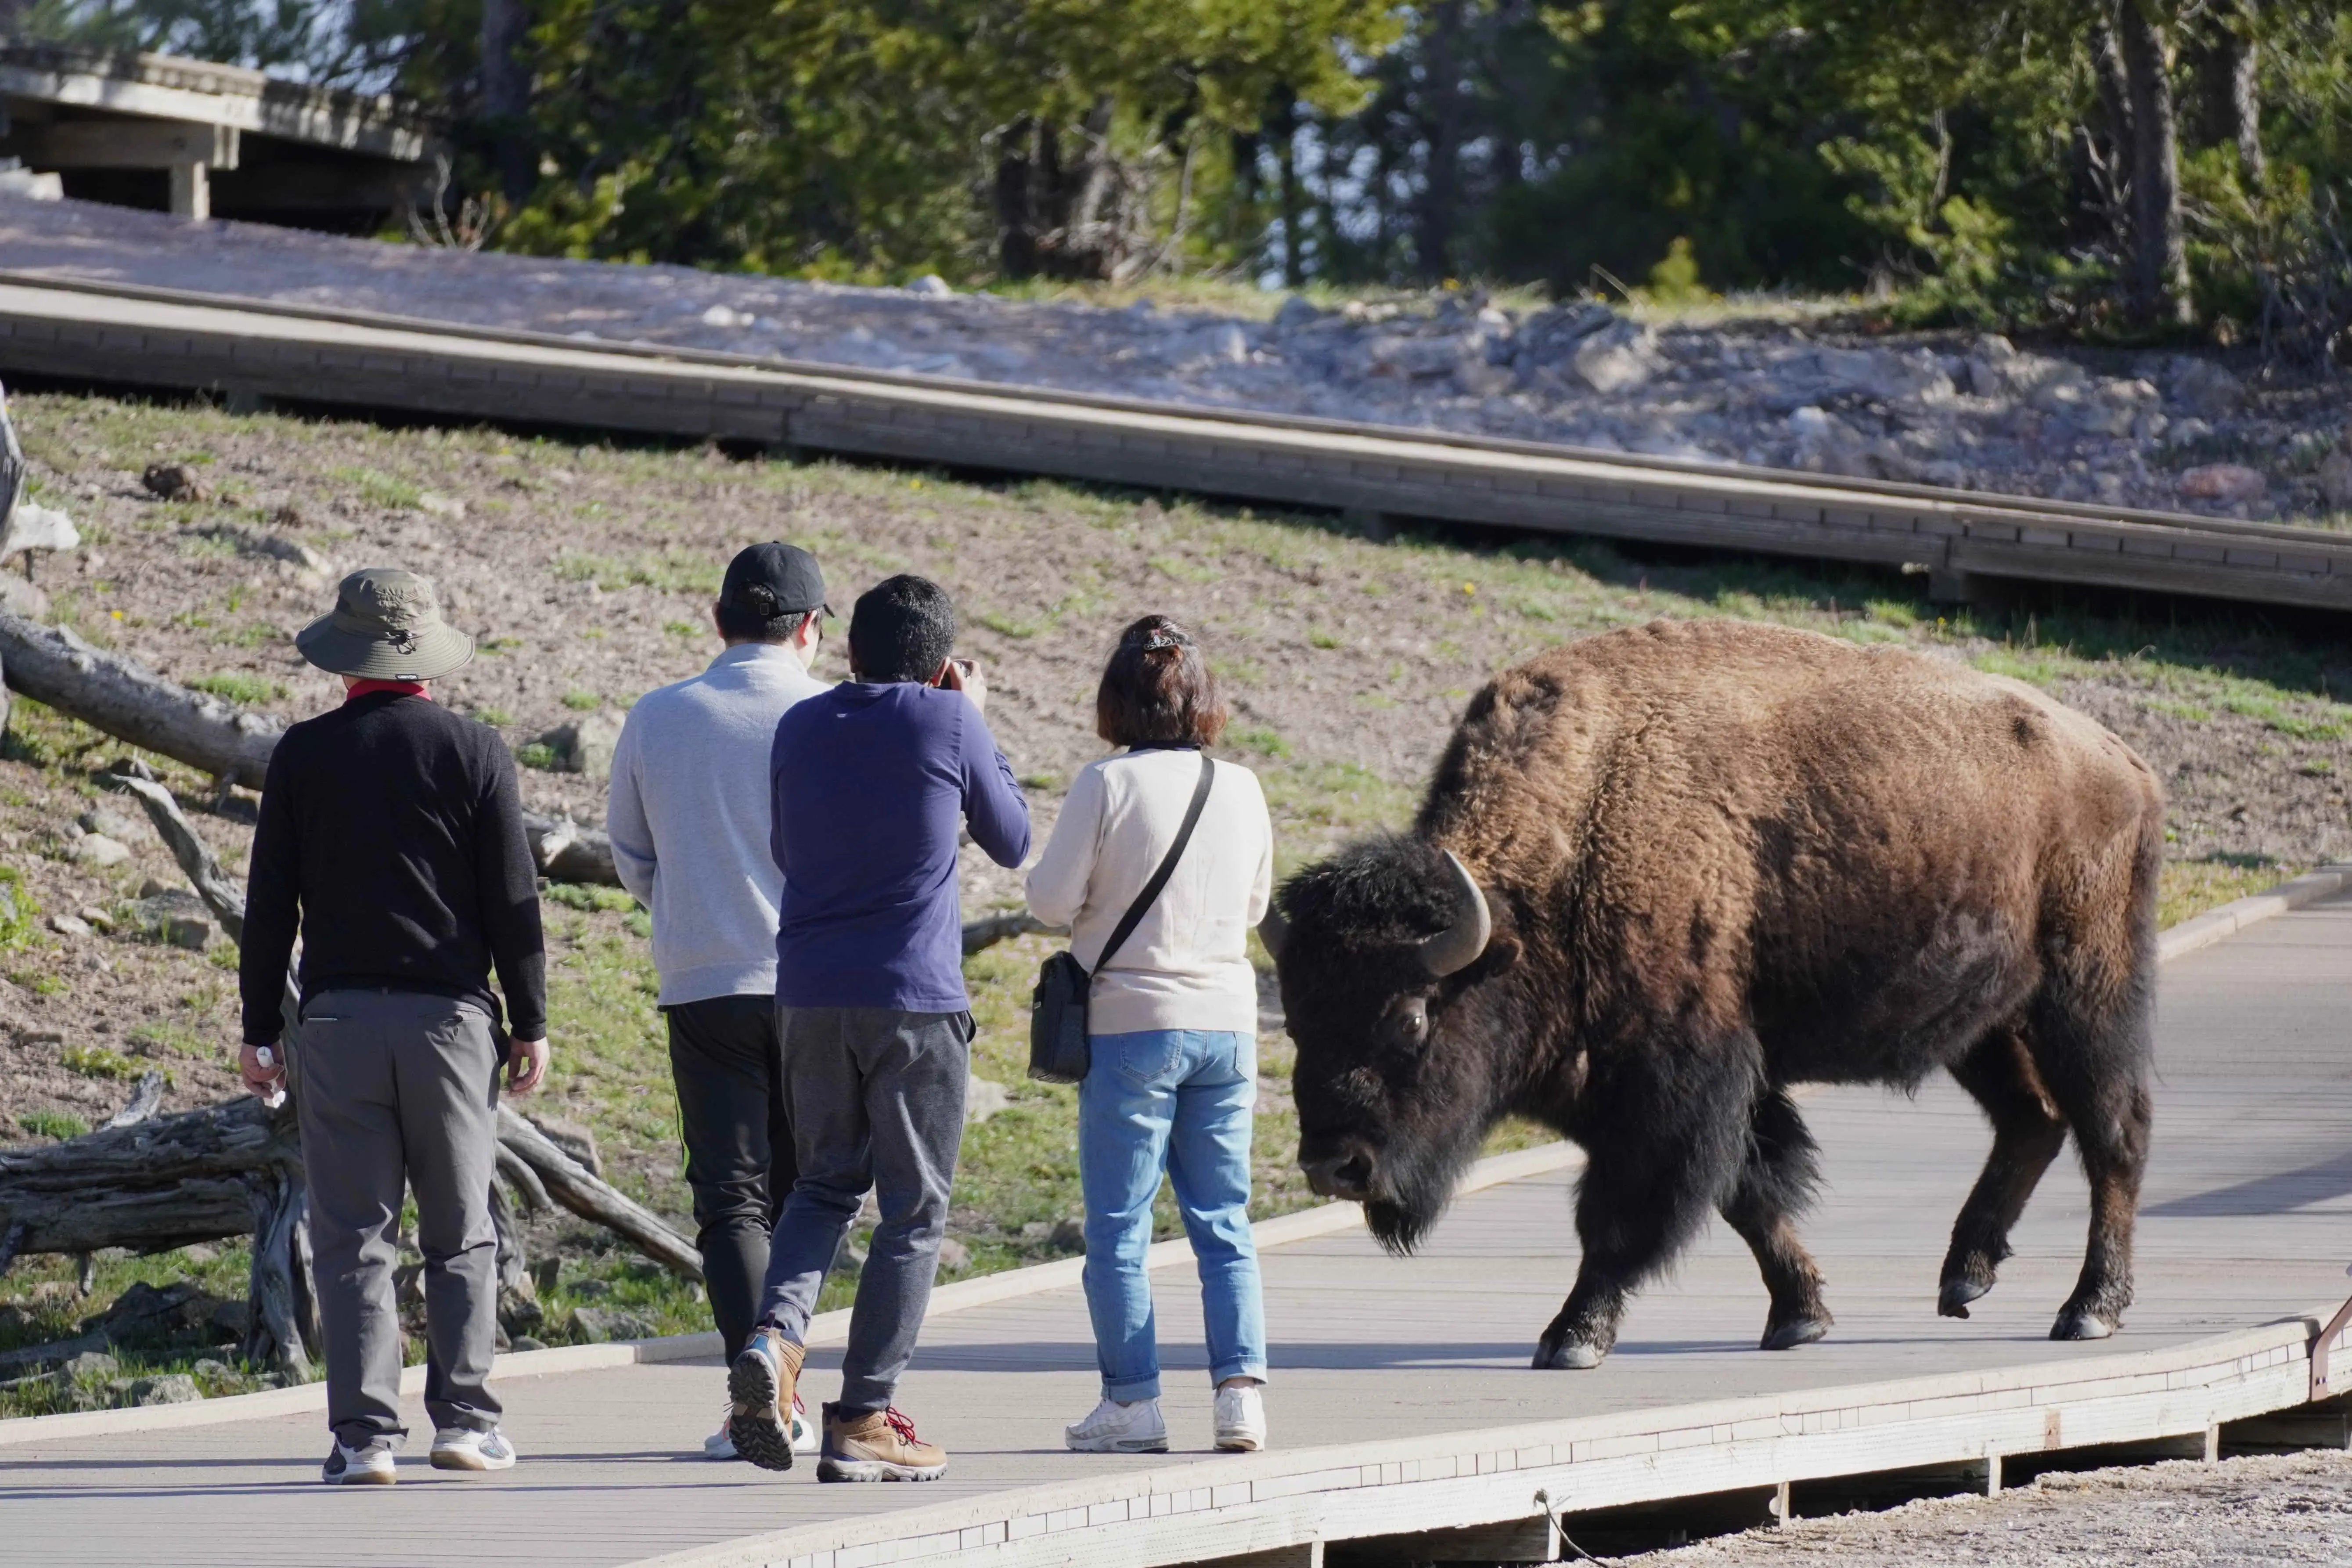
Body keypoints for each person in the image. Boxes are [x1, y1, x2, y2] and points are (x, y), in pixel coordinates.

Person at [239, 566, 548, 1486]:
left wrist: (262, 1026)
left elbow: (269, 906)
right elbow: (512, 901)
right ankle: (463, 1419)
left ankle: (365, 1436)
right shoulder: (475, 750)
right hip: (451, 1025)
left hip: (334, 1023)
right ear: (426, 655)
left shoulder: (302, 754)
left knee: (352, 1236)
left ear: (346, 659)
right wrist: (529, 1019)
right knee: (461, 1231)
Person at [728, 573, 1030, 1481]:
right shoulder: (948, 720)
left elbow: (787, 849)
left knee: (821, 1187)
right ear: (941, 665)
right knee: (912, 1210)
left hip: (809, 992)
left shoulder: (800, 724)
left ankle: (777, 1338)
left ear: (849, 651)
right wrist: (973, 714)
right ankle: (862, 1417)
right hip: (915, 999)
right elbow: (1013, 839)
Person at [1025, 614, 1274, 1455]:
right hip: (1227, 1025)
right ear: (1203, 699)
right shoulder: (1241, 787)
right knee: (1224, 1221)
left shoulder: (1106, 784)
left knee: (1120, 1227)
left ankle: (1133, 1402)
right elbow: (1254, 907)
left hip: (1134, 1026)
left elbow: (1050, 902)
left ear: (1117, 699)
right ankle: (1241, 1396)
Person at [607, 541, 832, 1461]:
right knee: (807, 1194)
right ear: (811, 629)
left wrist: (685, 904)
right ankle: (786, 1388)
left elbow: (629, 849)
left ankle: (756, 1396)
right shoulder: (831, 714)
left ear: (717, 621)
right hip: (820, 984)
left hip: (702, 979)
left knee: (730, 1198)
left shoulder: (658, 716)